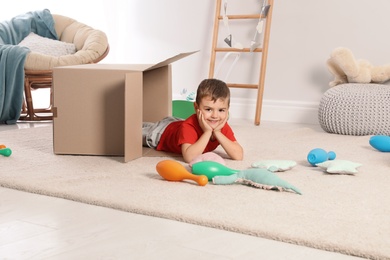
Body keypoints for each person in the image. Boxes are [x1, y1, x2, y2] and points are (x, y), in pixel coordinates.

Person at [143, 78, 243, 163]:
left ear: (228, 109)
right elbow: (189, 157)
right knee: (130, 133)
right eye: (208, 109)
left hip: (176, 123)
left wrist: (217, 132)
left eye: (221, 110)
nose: (215, 116)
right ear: (196, 107)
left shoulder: (221, 126)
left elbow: (239, 155)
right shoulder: (189, 126)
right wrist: (208, 132)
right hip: (161, 133)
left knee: (147, 124)